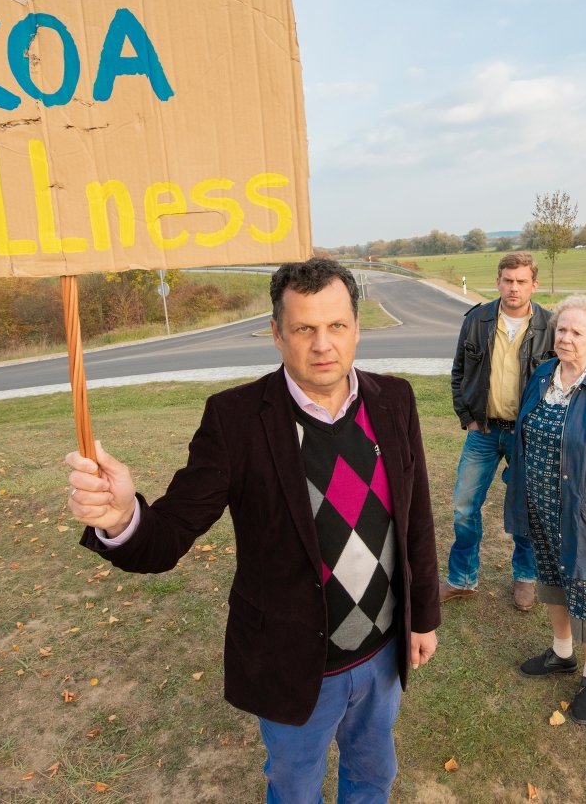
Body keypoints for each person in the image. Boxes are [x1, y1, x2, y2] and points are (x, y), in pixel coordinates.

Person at [64, 258, 440, 804]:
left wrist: (422, 616)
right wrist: (123, 519)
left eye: (336, 325)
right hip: (295, 664)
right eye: (303, 328)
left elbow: (416, 519)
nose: (323, 345)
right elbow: (170, 533)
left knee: (373, 773)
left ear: (357, 327)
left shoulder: (395, 399)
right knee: (295, 788)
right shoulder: (235, 420)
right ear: (277, 333)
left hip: (383, 652)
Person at [504, 295, 586, 724]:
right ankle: (562, 654)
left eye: (577, 332)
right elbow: (523, 431)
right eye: (561, 329)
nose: (565, 338)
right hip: (541, 506)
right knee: (552, 580)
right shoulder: (543, 375)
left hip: (585, 515)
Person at [446, 251, 556, 611]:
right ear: (498, 282)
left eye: (521, 281)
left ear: (534, 284)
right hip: (483, 431)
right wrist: (468, 416)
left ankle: (525, 576)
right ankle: (462, 579)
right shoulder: (476, 320)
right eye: (507, 280)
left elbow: (561, 380)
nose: (514, 287)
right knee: (464, 506)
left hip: (526, 436)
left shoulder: (550, 325)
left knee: (526, 508)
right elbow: (459, 371)